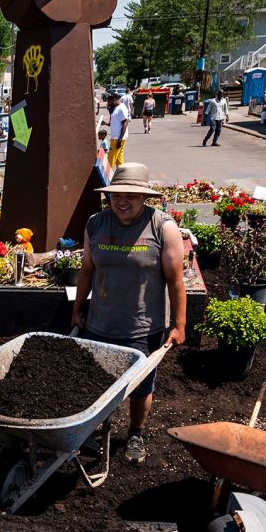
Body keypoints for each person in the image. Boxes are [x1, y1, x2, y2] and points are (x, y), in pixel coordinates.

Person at [71, 163, 187, 466]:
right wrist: (77, 310)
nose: (123, 201)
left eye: (131, 196)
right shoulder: (96, 224)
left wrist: (179, 324)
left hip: (141, 326)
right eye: (117, 195)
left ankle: (136, 433)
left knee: (140, 388)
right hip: (99, 322)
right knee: (94, 382)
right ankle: (91, 431)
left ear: (144, 198)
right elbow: (86, 271)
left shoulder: (162, 227)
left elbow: (176, 280)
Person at [106, 92, 131, 170]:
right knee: (119, 160)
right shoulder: (117, 108)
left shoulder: (121, 108)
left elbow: (125, 123)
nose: (108, 103)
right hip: (117, 138)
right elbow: (116, 124)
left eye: (109, 101)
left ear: (114, 99)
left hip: (117, 139)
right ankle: (122, 176)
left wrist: (120, 140)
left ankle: (106, 178)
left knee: (111, 160)